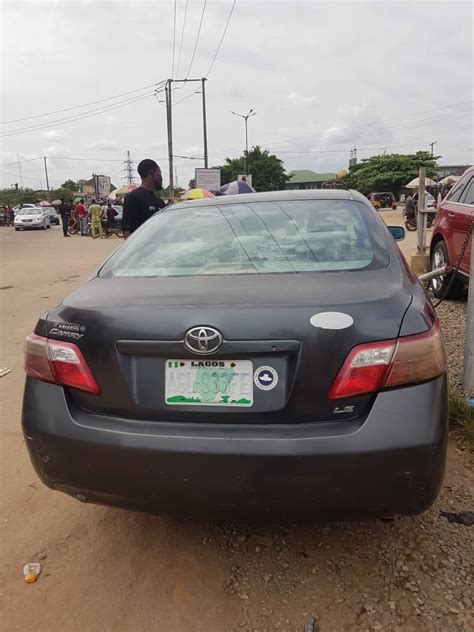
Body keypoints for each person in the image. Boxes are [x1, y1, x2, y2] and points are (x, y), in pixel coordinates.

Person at [121, 159, 164, 238]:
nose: (161, 178)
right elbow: (127, 233)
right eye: (159, 173)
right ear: (151, 172)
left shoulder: (159, 201)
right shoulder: (133, 198)